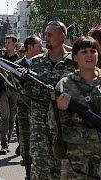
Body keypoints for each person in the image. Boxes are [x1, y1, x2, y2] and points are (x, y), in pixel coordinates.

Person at [25, 21, 76, 180]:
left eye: (50, 34)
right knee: (40, 171)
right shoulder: (36, 62)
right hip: (40, 127)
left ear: (63, 36)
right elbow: (26, 96)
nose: (46, 38)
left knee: (65, 171)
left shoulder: (73, 62)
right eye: (45, 34)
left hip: (65, 126)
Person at [50, 36, 101, 179]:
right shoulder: (65, 85)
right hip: (75, 160)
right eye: (84, 52)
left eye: (93, 51)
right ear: (75, 58)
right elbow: (52, 125)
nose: (89, 55)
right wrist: (59, 110)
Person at [15, 35, 44, 180]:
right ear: (30, 47)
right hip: (24, 108)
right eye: (39, 45)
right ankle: (28, 172)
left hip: (41, 109)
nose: (42, 48)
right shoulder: (17, 65)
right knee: (26, 140)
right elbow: (13, 86)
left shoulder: (44, 63)